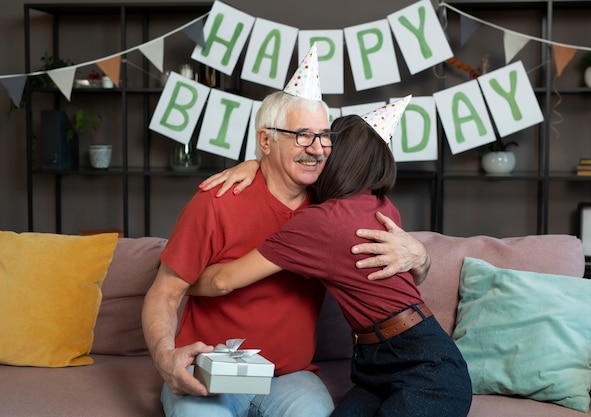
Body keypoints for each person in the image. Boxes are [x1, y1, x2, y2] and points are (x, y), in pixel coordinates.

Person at [142, 45, 430, 417]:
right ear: (265, 140)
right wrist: (166, 359)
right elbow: (163, 294)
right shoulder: (217, 201)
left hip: (291, 378)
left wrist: (421, 255)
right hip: (213, 371)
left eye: (325, 136)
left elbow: (399, 278)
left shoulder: (333, 210)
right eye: (302, 136)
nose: (318, 148)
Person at [189, 98, 472, 417]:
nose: (316, 151)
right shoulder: (381, 205)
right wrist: (254, 165)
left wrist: (178, 283)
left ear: (336, 159)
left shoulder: (320, 223)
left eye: (325, 144)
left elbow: (223, 280)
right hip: (377, 368)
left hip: (426, 370)